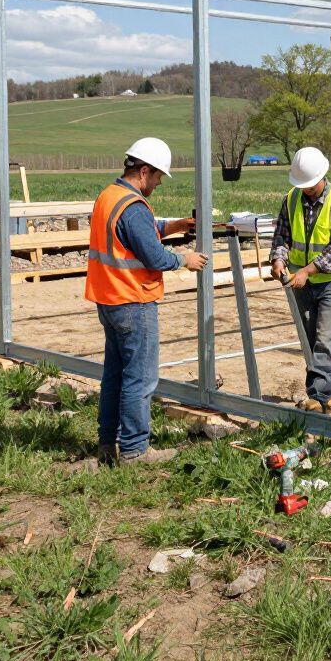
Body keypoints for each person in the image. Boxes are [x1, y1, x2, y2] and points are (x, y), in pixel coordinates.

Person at [85, 137, 208, 466]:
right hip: (132, 301)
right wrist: (184, 259)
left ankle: (108, 445)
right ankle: (135, 451)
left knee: (115, 376)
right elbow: (152, 255)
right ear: (143, 171)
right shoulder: (134, 205)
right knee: (140, 378)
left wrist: (175, 225)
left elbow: (140, 231)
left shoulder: (110, 196)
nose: (157, 184)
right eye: (157, 178)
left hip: (109, 300)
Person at [270, 146, 331, 414]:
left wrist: (308, 270)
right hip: (301, 281)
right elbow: (282, 234)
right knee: (312, 341)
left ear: (323, 175)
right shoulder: (291, 199)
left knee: (326, 339)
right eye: (302, 184)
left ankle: (318, 396)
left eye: (310, 184)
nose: (306, 189)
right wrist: (278, 259)